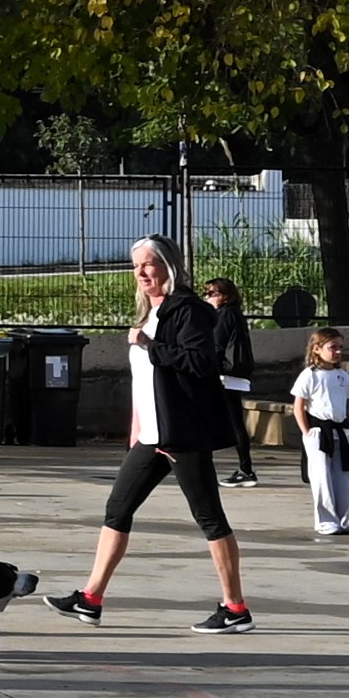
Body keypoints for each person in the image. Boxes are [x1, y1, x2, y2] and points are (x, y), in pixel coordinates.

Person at [54, 233, 253, 633]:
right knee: (118, 509)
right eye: (135, 266)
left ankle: (235, 608)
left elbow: (200, 361)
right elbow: (146, 382)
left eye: (148, 263)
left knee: (210, 518)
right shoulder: (153, 311)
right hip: (152, 436)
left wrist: (150, 344)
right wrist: (137, 427)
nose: (140, 272)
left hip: (182, 433)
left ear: (168, 265)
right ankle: (91, 598)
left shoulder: (188, 310)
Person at [289, 327, 349, 537]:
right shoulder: (310, 375)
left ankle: (342, 519)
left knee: (346, 477)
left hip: (342, 431)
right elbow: (299, 406)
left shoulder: (342, 376)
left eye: (340, 347)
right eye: (332, 347)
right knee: (322, 478)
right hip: (319, 431)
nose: (337, 351)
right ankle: (326, 521)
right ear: (317, 349)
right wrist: (307, 432)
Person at [205, 275, 262, 487]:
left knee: (229, 420)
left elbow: (218, 345)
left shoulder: (225, 314)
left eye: (213, 293)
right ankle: (245, 468)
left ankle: (245, 469)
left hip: (225, 374)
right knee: (232, 419)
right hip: (232, 373)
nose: (208, 297)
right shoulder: (233, 313)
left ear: (225, 296)